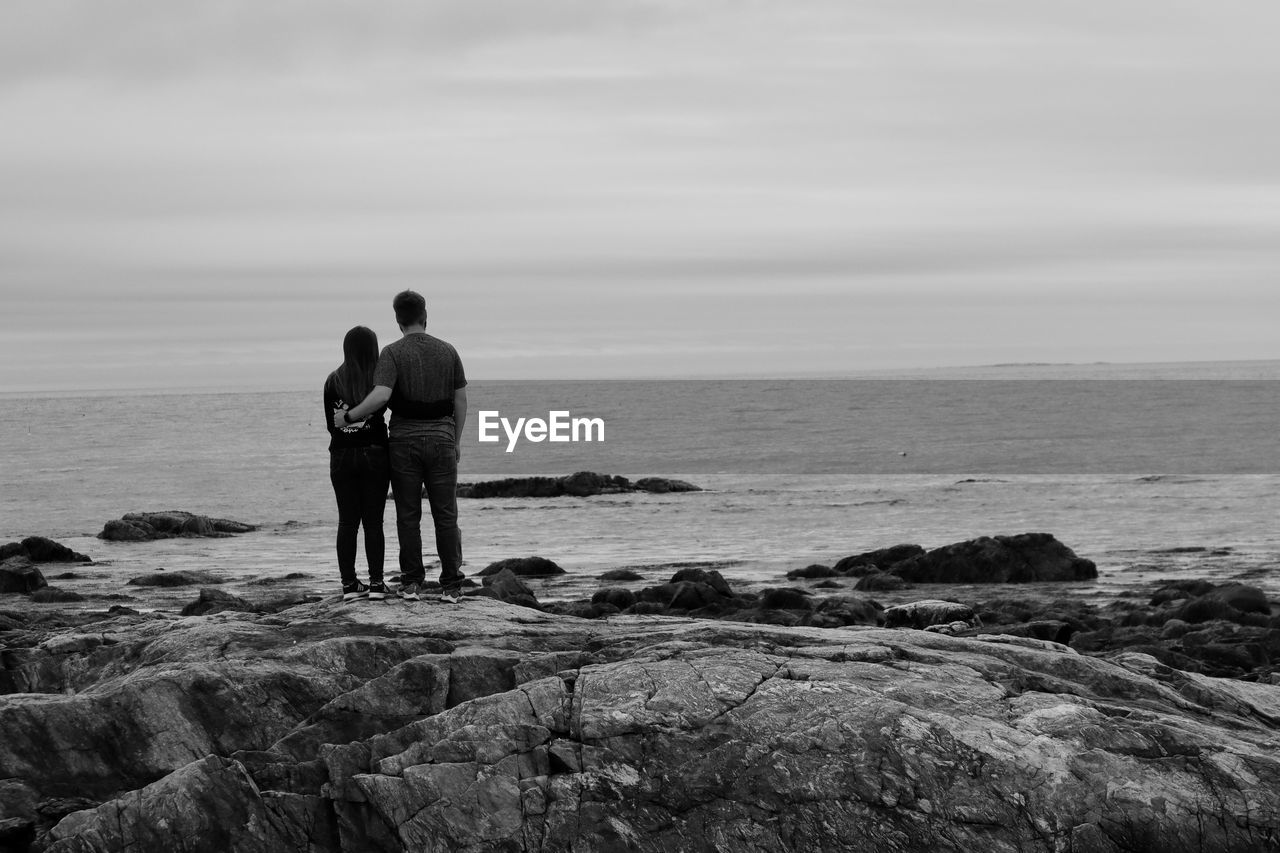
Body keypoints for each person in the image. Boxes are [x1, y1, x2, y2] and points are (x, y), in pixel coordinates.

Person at [333, 291, 468, 602]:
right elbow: (461, 401)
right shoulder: (449, 352)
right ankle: (452, 586)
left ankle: (411, 584)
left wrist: (349, 416)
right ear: (425, 315)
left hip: (404, 443)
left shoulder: (392, 354)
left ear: (398, 320)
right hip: (442, 440)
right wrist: (456, 439)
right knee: (446, 515)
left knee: (408, 515)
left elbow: (381, 395)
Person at [324, 326, 391, 601]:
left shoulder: (333, 380)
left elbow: (332, 425)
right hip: (375, 452)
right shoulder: (379, 380)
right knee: (374, 522)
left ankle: (349, 585)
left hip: (341, 455)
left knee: (347, 522)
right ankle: (376, 584)